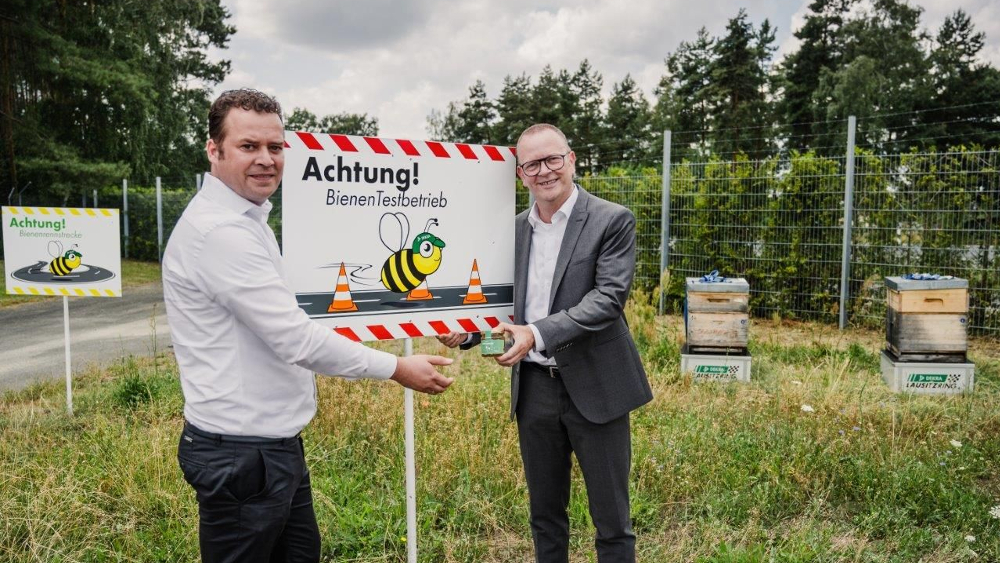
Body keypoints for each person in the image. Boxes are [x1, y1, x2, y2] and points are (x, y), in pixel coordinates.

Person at [163, 88, 454, 563]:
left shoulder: (247, 219)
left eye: (275, 147)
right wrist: (397, 368)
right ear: (213, 150)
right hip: (243, 456)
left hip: (269, 450)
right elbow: (295, 337)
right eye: (248, 146)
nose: (266, 160)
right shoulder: (222, 233)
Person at [439, 123, 652, 562]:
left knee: (612, 520)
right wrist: (469, 332)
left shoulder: (612, 220)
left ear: (572, 160)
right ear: (520, 174)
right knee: (544, 515)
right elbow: (500, 305)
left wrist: (536, 333)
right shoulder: (511, 230)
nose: (544, 171)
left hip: (597, 386)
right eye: (531, 164)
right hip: (534, 389)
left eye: (552, 159)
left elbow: (607, 299)